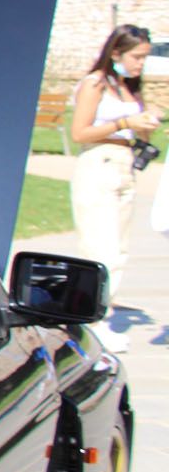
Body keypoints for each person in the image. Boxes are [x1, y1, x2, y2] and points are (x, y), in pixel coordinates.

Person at [68, 24, 161, 346]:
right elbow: (79, 133)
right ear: (116, 52)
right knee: (100, 247)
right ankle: (93, 320)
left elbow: (134, 132)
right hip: (99, 164)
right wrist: (124, 123)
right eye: (136, 57)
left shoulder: (127, 87)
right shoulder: (95, 84)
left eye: (144, 58)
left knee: (119, 250)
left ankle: (101, 313)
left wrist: (145, 123)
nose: (140, 64)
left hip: (124, 167)